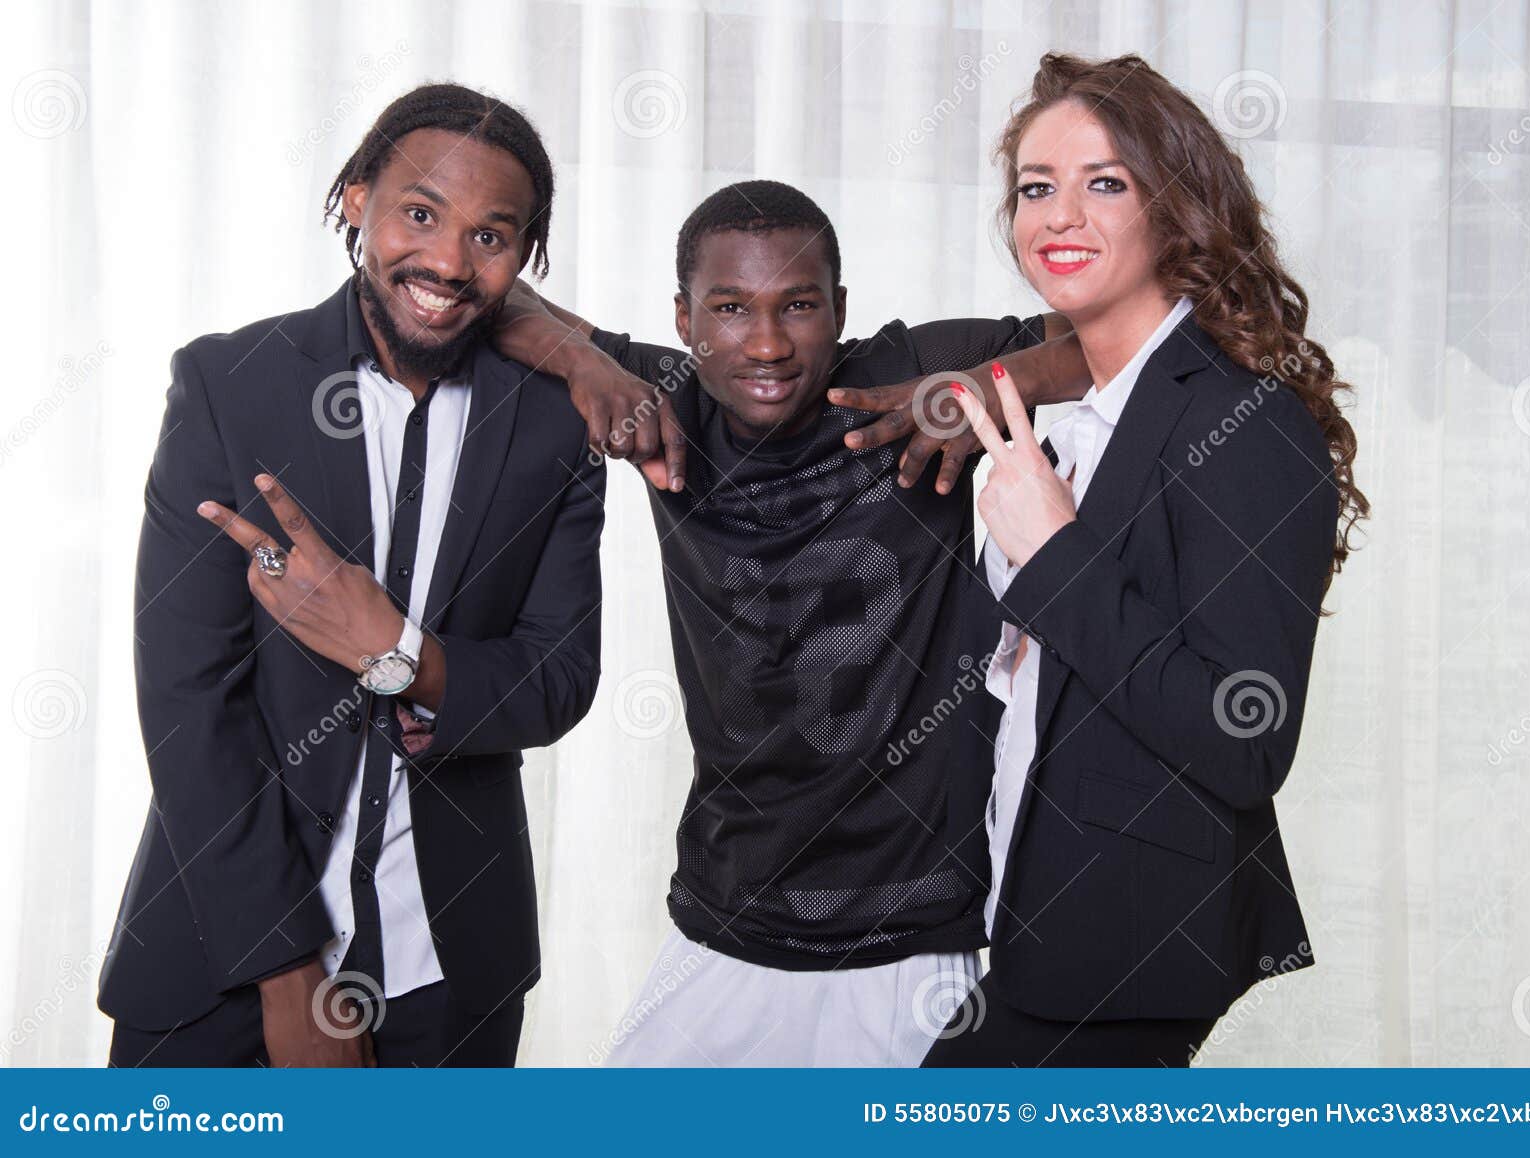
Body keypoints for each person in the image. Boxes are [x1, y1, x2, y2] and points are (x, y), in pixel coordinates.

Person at [493, 179, 1091, 1065]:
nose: (767, 342)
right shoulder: (667, 403)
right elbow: (494, 296)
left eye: (799, 306)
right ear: (683, 317)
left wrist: (984, 386)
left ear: (840, 310)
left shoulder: (905, 375)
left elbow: (1110, 341)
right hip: (729, 909)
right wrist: (586, 362)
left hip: (914, 930)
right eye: (730, 308)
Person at [98, 84, 604, 1067]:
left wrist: (401, 655)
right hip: (219, 963)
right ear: (355, 199)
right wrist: (288, 978)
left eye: (492, 235)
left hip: (450, 973)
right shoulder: (230, 385)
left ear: (526, 258)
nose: (449, 261)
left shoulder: (555, 425)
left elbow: (558, 677)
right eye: (420, 213)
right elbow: (186, 697)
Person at [922, 53, 1368, 1067]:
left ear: (1176, 207)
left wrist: (1054, 551)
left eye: (1104, 183)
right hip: (1015, 917)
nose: (1058, 216)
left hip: (1122, 946)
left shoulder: (1243, 420)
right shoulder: (1072, 413)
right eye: (1036, 188)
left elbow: (1244, 739)